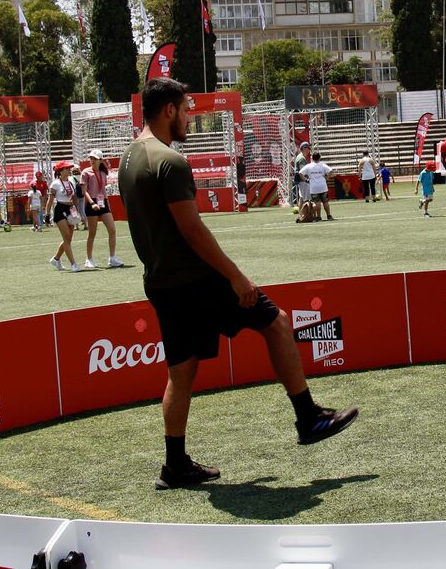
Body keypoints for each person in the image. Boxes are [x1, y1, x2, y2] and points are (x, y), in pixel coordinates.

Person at [118, 78, 357, 490]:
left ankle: (174, 465)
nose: (190, 118)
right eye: (187, 109)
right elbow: (191, 230)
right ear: (169, 111)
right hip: (196, 278)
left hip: (160, 283)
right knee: (277, 322)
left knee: (182, 373)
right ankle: (308, 417)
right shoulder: (169, 161)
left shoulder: (127, 158)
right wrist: (235, 276)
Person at [82, 149, 124, 269]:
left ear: (100, 160)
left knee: (112, 229)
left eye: (95, 158)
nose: (92, 160)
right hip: (92, 203)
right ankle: (88, 259)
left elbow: (103, 189)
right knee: (92, 233)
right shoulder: (86, 172)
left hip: (103, 202)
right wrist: (91, 203)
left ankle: (112, 258)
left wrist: (106, 203)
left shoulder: (103, 172)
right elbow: (84, 191)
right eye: (91, 158)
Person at [46, 161, 82, 272]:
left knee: (68, 239)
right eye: (66, 168)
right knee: (66, 237)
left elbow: (74, 197)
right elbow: (50, 200)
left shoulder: (71, 181)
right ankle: (73, 264)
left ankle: (56, 259)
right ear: (60, 171)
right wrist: (47, 214)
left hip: (70, 209)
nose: (69, 170)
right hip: (60, 210)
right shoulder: (55, 183)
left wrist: (78, 210)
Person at [299, 151, 335, 221]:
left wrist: (306, 180)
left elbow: (300, 173)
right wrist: (327, 178)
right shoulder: (323, 165)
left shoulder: (309, 166)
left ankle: (318, 216)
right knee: (325, 202)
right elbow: (331, 171)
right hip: (323, 186)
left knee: (317, 202)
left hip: (314, 187)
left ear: (312, 158)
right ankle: (329, 215)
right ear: (320, 157)